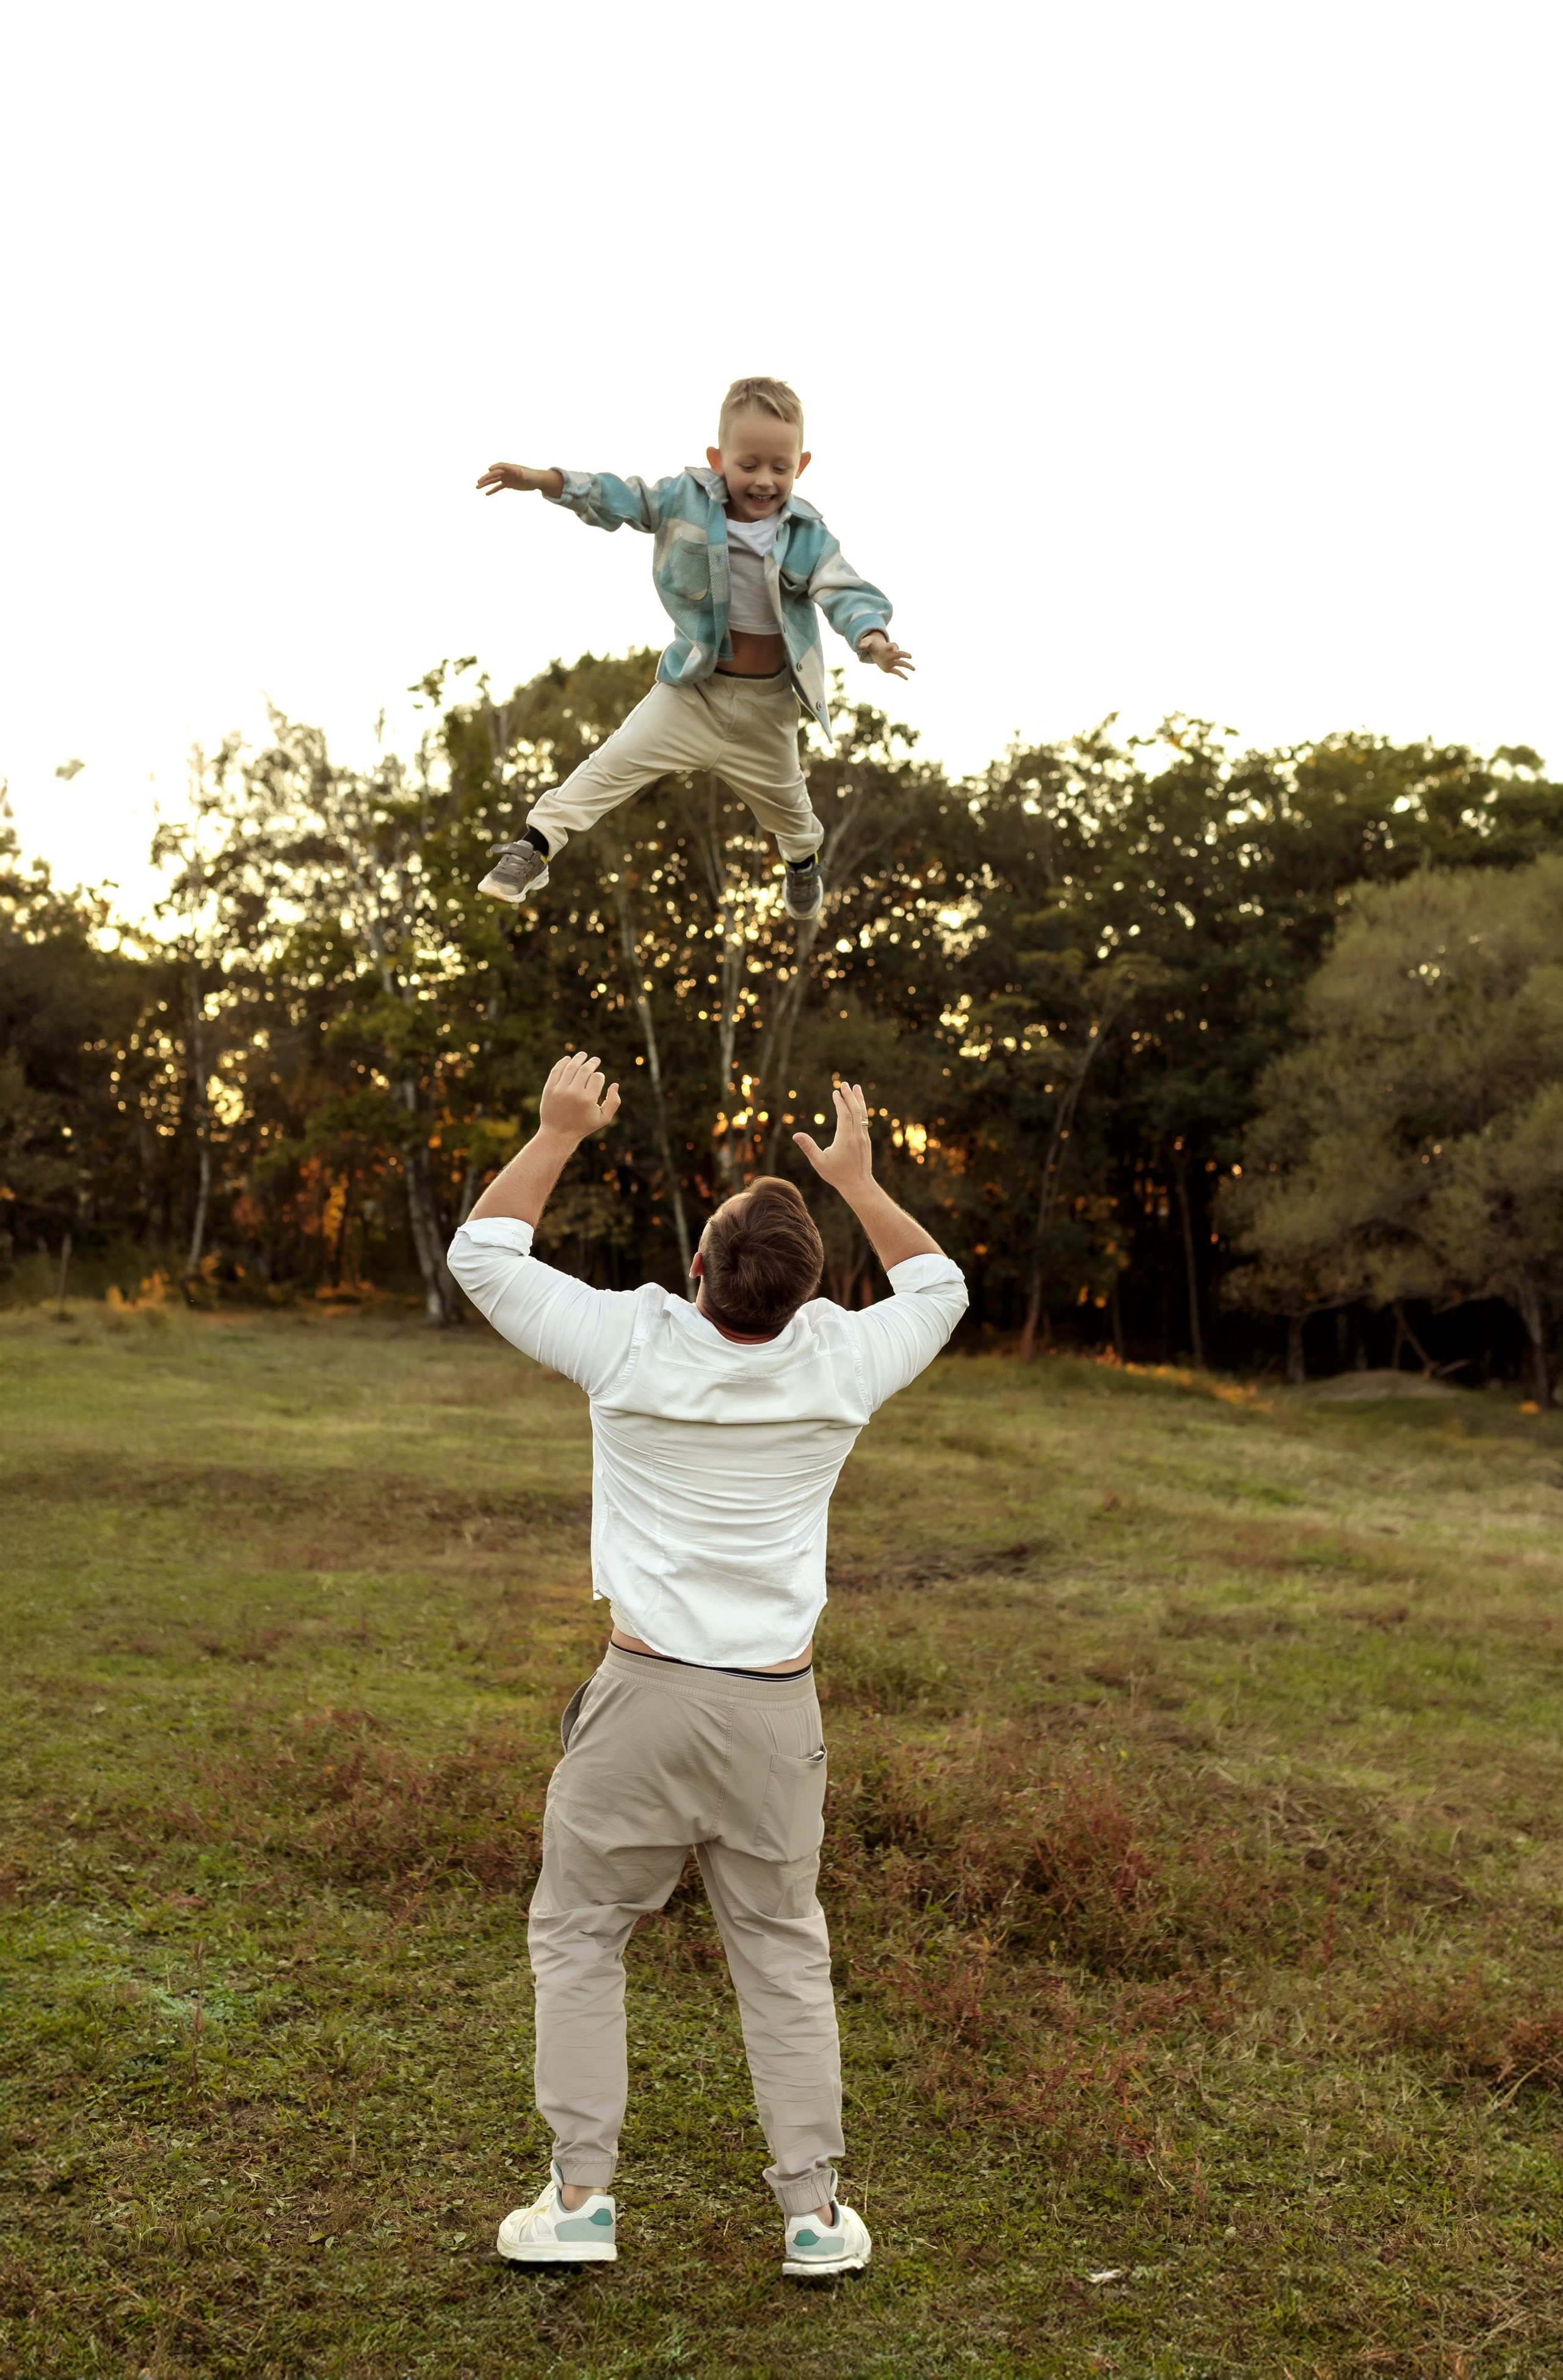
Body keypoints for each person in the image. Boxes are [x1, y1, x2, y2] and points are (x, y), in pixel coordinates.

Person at [446, 1051, 966, 2278]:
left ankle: (579, 2201)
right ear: (813, 1293)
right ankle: (809, 2217)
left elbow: (481, 1255)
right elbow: (937, 1284)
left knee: (578, 1932)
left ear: (694, 1272)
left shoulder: (630, 1341)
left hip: (639, 1698)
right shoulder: (841, 1358)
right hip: (773, 1710)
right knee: (781, 1947)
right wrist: (856, 1178)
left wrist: (559, 1128)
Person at [471, 375, 913, 922]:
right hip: (692, 692)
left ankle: (803, 865)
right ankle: (531, 851)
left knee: (793, 814)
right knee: (609, 764)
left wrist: (872, 638)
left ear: (800, 466)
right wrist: (544, 480)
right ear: (718, 458)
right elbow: (619, 497)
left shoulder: (808, 535)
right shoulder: (683, 499)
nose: (764, 480)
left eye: (780, 467)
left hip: (766, 709)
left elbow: (842, 589)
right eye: (748, 464)